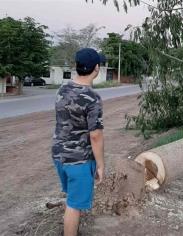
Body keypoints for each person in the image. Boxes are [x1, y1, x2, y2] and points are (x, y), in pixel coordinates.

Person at [52, 48, 105, 236]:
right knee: (74, 205)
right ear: (96, 68)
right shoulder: (92, 98)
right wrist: (100, 164)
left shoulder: (62, 89)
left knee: (72, 199)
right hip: (79, 160)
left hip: (59, 155)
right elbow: (96, 135)